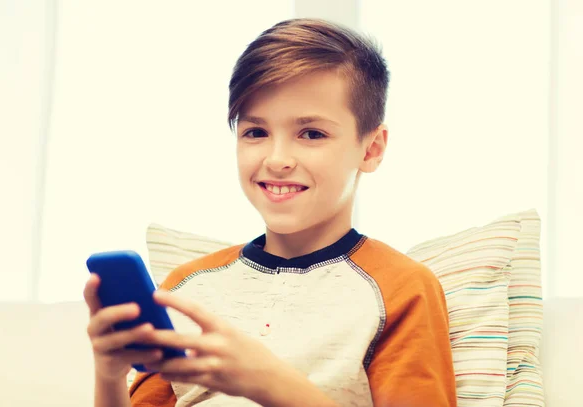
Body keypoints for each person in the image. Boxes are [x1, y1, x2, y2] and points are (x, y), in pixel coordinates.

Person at [84, 18, 457, 407]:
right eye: (256, 132)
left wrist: (270, 382)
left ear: (371, 149)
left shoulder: (401, 288)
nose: (277, 159)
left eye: (312, 134)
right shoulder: (186, 288)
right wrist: (108, 376)